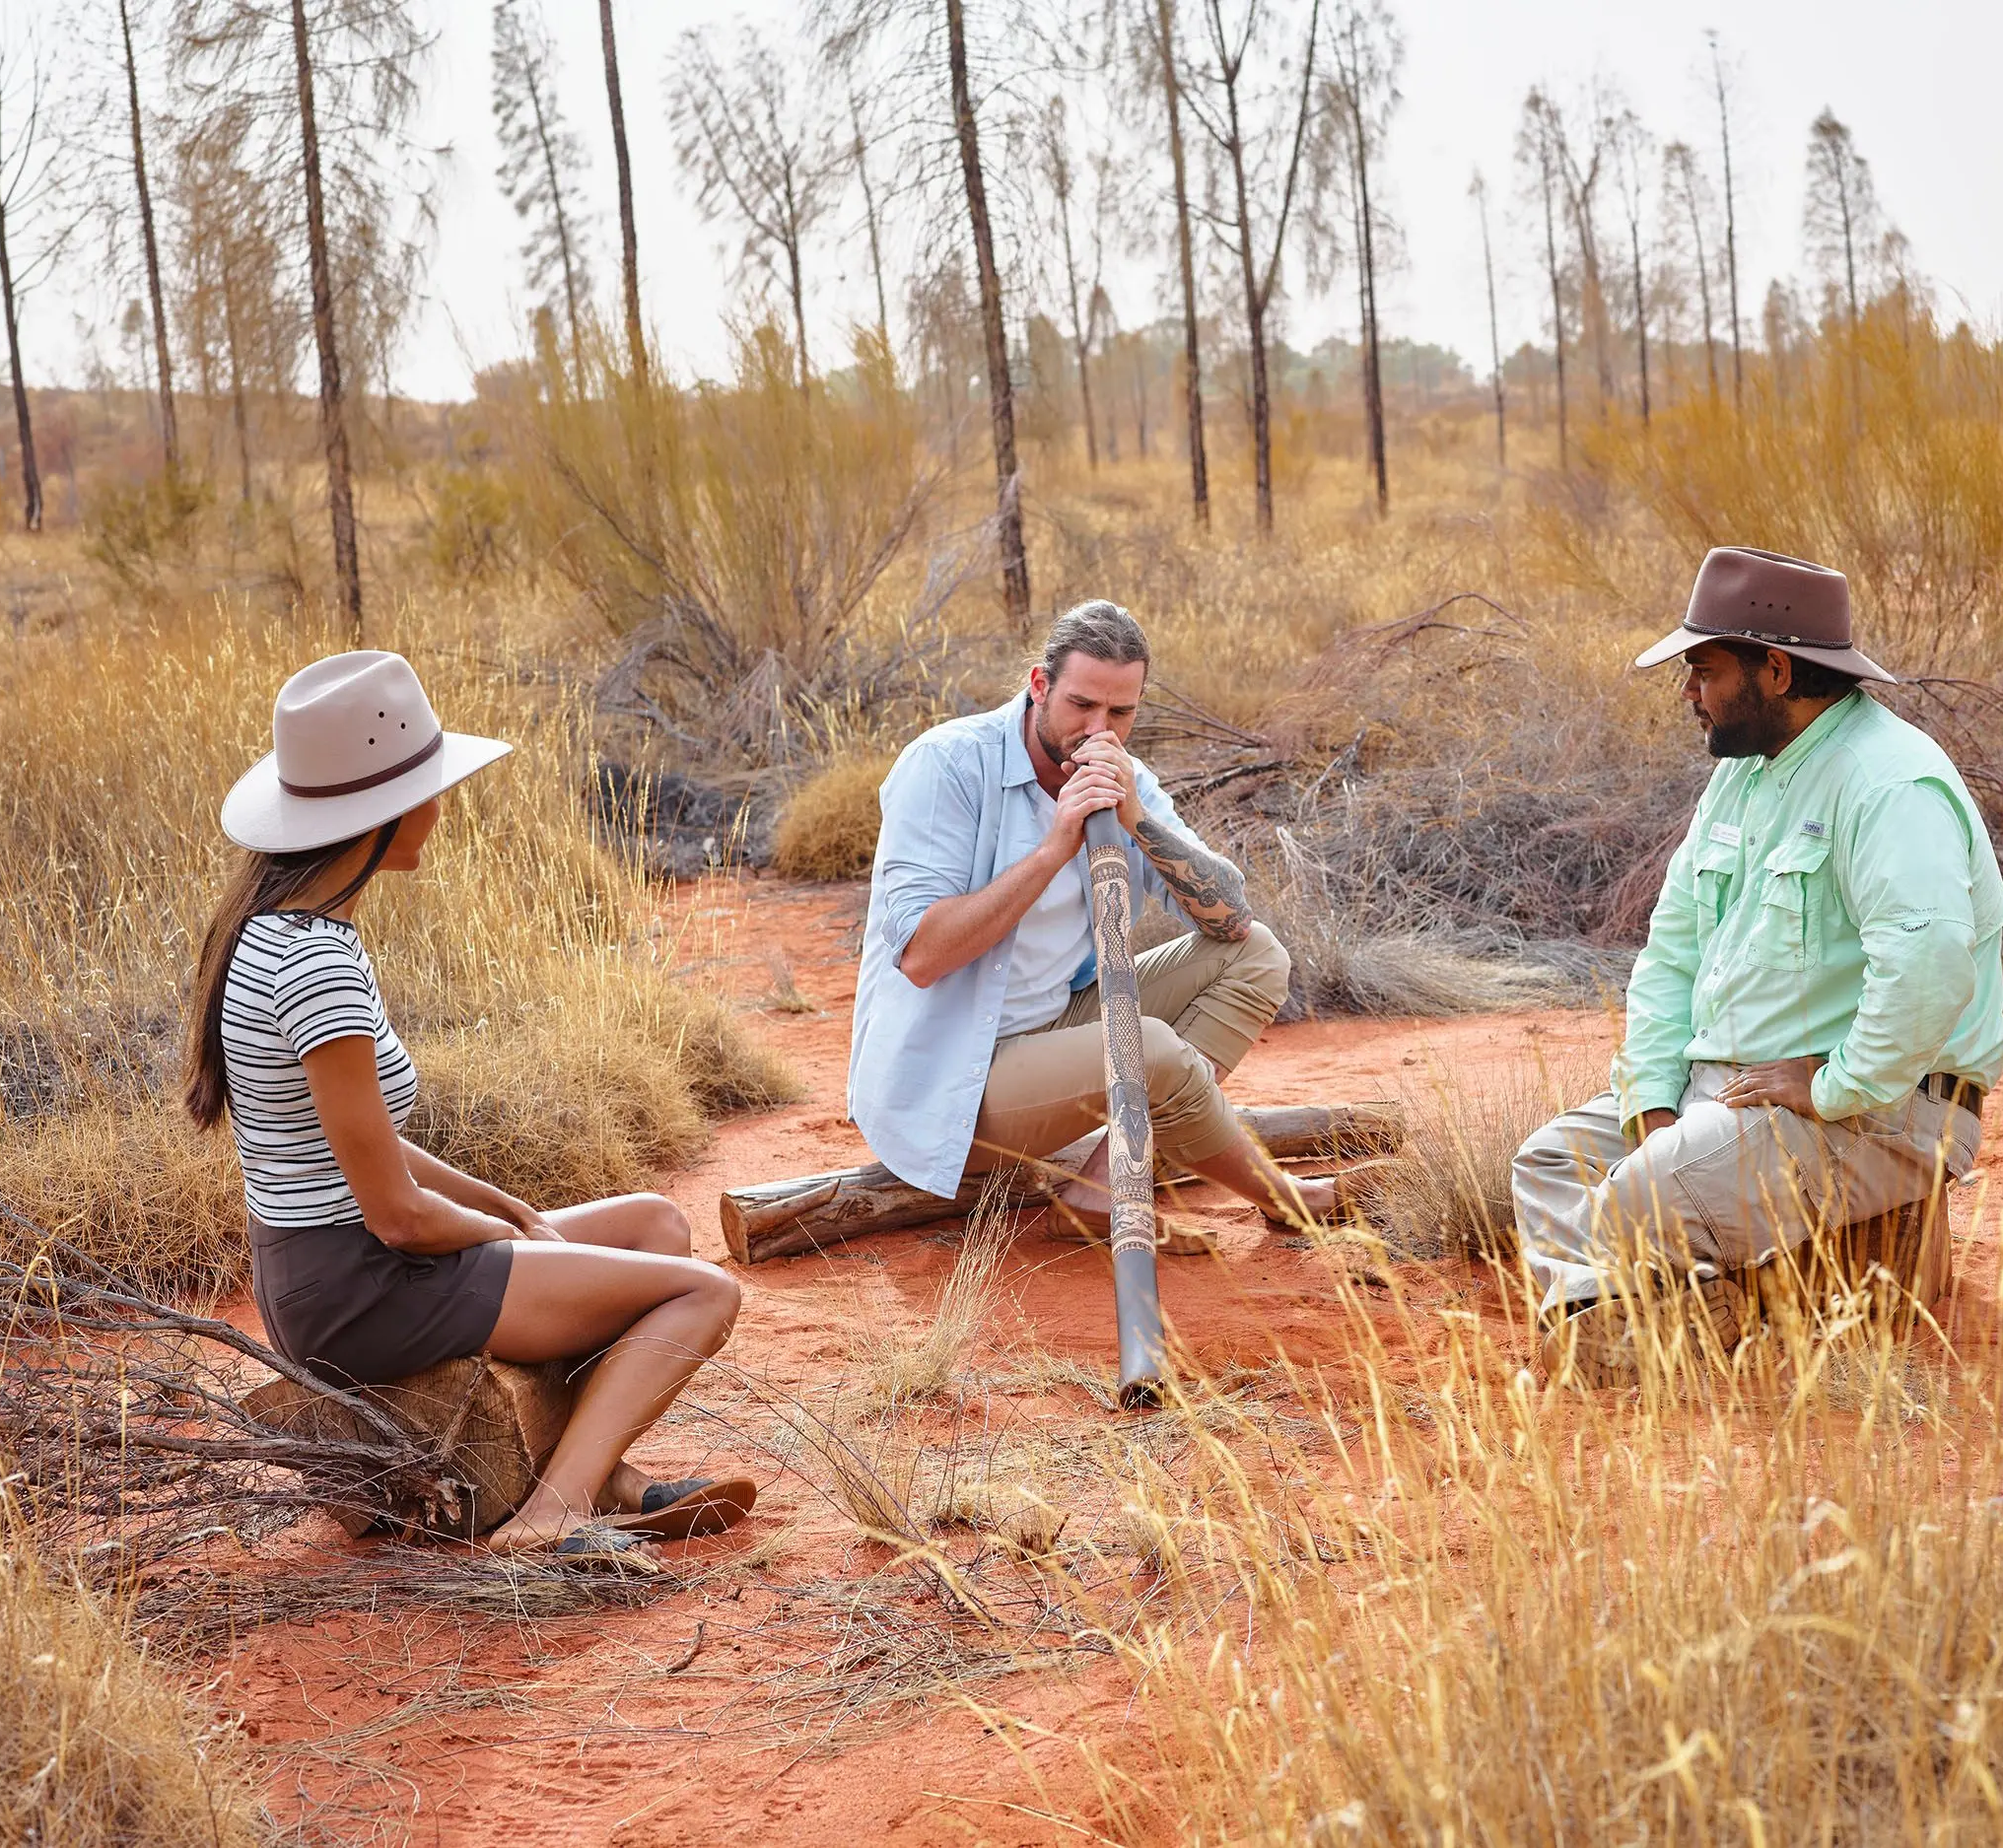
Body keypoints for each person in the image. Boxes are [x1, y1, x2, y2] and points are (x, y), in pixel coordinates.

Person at [184, 650, 756, 1561]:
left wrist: (506, 1205)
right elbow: (399, 1216)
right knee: (705, 1294)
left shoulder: (276, 929)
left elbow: (371, 1143)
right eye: (430, 789)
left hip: (329, 1269)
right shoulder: (317, 965)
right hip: (357, 1287)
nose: (440, 808)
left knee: (651, 1226)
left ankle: (599, 1472)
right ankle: (551, 1515)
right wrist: (502, 1240)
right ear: (378, 817)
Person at [1512, 546, 2003, 1346]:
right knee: (1546, 1162)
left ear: (1775, 670)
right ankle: (1654, 1309)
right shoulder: (1744, 776)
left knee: (1639, 1192)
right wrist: (1650, 1095)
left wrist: (1836, 1086)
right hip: (1734, 1092)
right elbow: (1671, 949)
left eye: (1704, 670)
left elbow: (1930, 963)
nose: (1689, 692)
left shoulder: (1888, 784)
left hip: (1879, 1115)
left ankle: (1620, 1319)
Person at [850, 600, 1364, 1251]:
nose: (1099, 729)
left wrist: (1136, 822)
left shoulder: (1127, 777)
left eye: (1121, 713)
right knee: (1146, 1050)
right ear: (1039, 685)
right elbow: (923, 956)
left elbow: (1232, 917)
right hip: (952, 1079)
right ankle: (1286, 1197)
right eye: (1081, 705)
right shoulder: (946, 764)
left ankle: (1100, 1186)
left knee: (1258, 957)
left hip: (1058, 1038)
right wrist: (1054, 849)